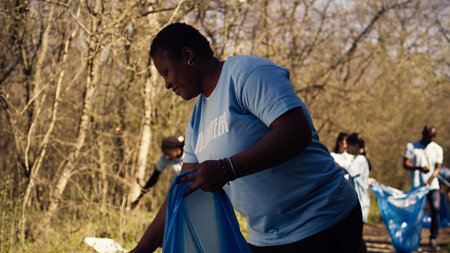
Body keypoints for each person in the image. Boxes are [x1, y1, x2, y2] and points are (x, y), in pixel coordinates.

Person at [130, 22, 362, 253]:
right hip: (267, 239)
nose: (167, 84)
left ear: (188, 55)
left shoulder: (246, 73)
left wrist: (226, 169)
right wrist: (142, 249)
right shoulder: (196, 122)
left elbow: (295, 131)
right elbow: (184, 188)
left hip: (324, 222)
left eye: (166, 72)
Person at [403, 125, 443, 251]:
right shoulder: (411, 147)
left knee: (436, 209)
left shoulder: (437, 149)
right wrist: (419, 168)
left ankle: (433, 238)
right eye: (428, 136)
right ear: (423, 134)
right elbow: (406, 164)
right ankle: (416, 239)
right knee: (417, 213)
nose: (430, 139)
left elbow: (437, 167)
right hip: (417, 186)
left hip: (433, 185)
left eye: (432, 137)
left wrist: (431, 179)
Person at [131, 136, 184, 209]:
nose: (166, 157)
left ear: (176, 150)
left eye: (168, 154)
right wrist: (139, 198)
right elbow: (153, 178)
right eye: (164, 154)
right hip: (180, 188)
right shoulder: (164, 159)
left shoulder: (188, 154)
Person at [345, 133, 371, 224]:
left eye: (348, 146)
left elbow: (347, 171)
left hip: (360, 202)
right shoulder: (359, 159)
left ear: (356, 145)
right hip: (359, 202)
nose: (347, 148)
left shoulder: (360, 160)